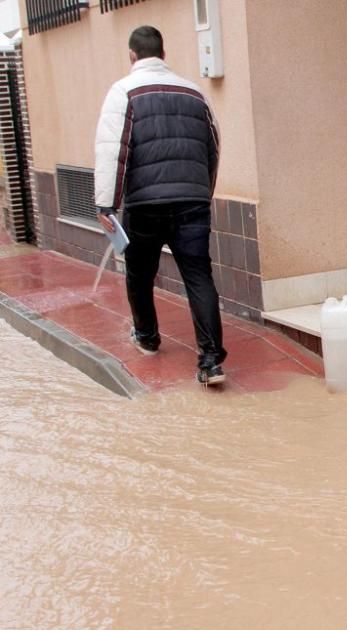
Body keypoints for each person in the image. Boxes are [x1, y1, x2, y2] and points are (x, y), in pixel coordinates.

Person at [94, 25, 227, 385]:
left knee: (140, 275)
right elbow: (213, 146)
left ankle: (148, 338)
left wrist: (106, 205)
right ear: (163, 55)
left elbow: (112, 150)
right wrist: (204, 192)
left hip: (145, 206)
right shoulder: (194, 92)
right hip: (193, 202)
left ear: (132, 56)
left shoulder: (123, 91)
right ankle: (211, 361)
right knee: (199, 278)